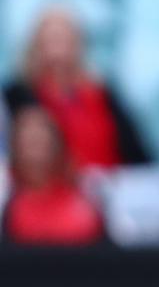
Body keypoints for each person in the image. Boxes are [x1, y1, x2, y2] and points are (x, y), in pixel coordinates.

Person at [3, 8, 151, 170]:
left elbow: (136, 152)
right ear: (36, 44)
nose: (58, 47)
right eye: (52, 38)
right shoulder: (18, 95)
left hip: (109, 183)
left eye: (64, 38)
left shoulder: (102, 93)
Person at [2, 105, 106, 247]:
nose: (35, 155)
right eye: (28, 144)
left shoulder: (88, 204)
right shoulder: (9, 209)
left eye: (40, 143)